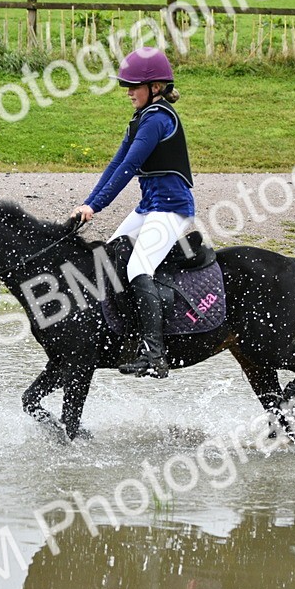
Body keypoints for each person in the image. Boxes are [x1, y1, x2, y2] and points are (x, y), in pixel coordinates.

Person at [70, 47, 195, 379]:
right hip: (149, 207)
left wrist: (96, 206)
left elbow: (129, 168)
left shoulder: (158, 119)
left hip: (171, 210)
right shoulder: (142, 118)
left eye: (133, 86)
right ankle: (124, 334)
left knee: (139, 265)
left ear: (154, 87)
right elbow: (114, 165)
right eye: (126, 86)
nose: (128, 92)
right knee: (111, 256)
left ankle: (155, 355)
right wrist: (86, 204)